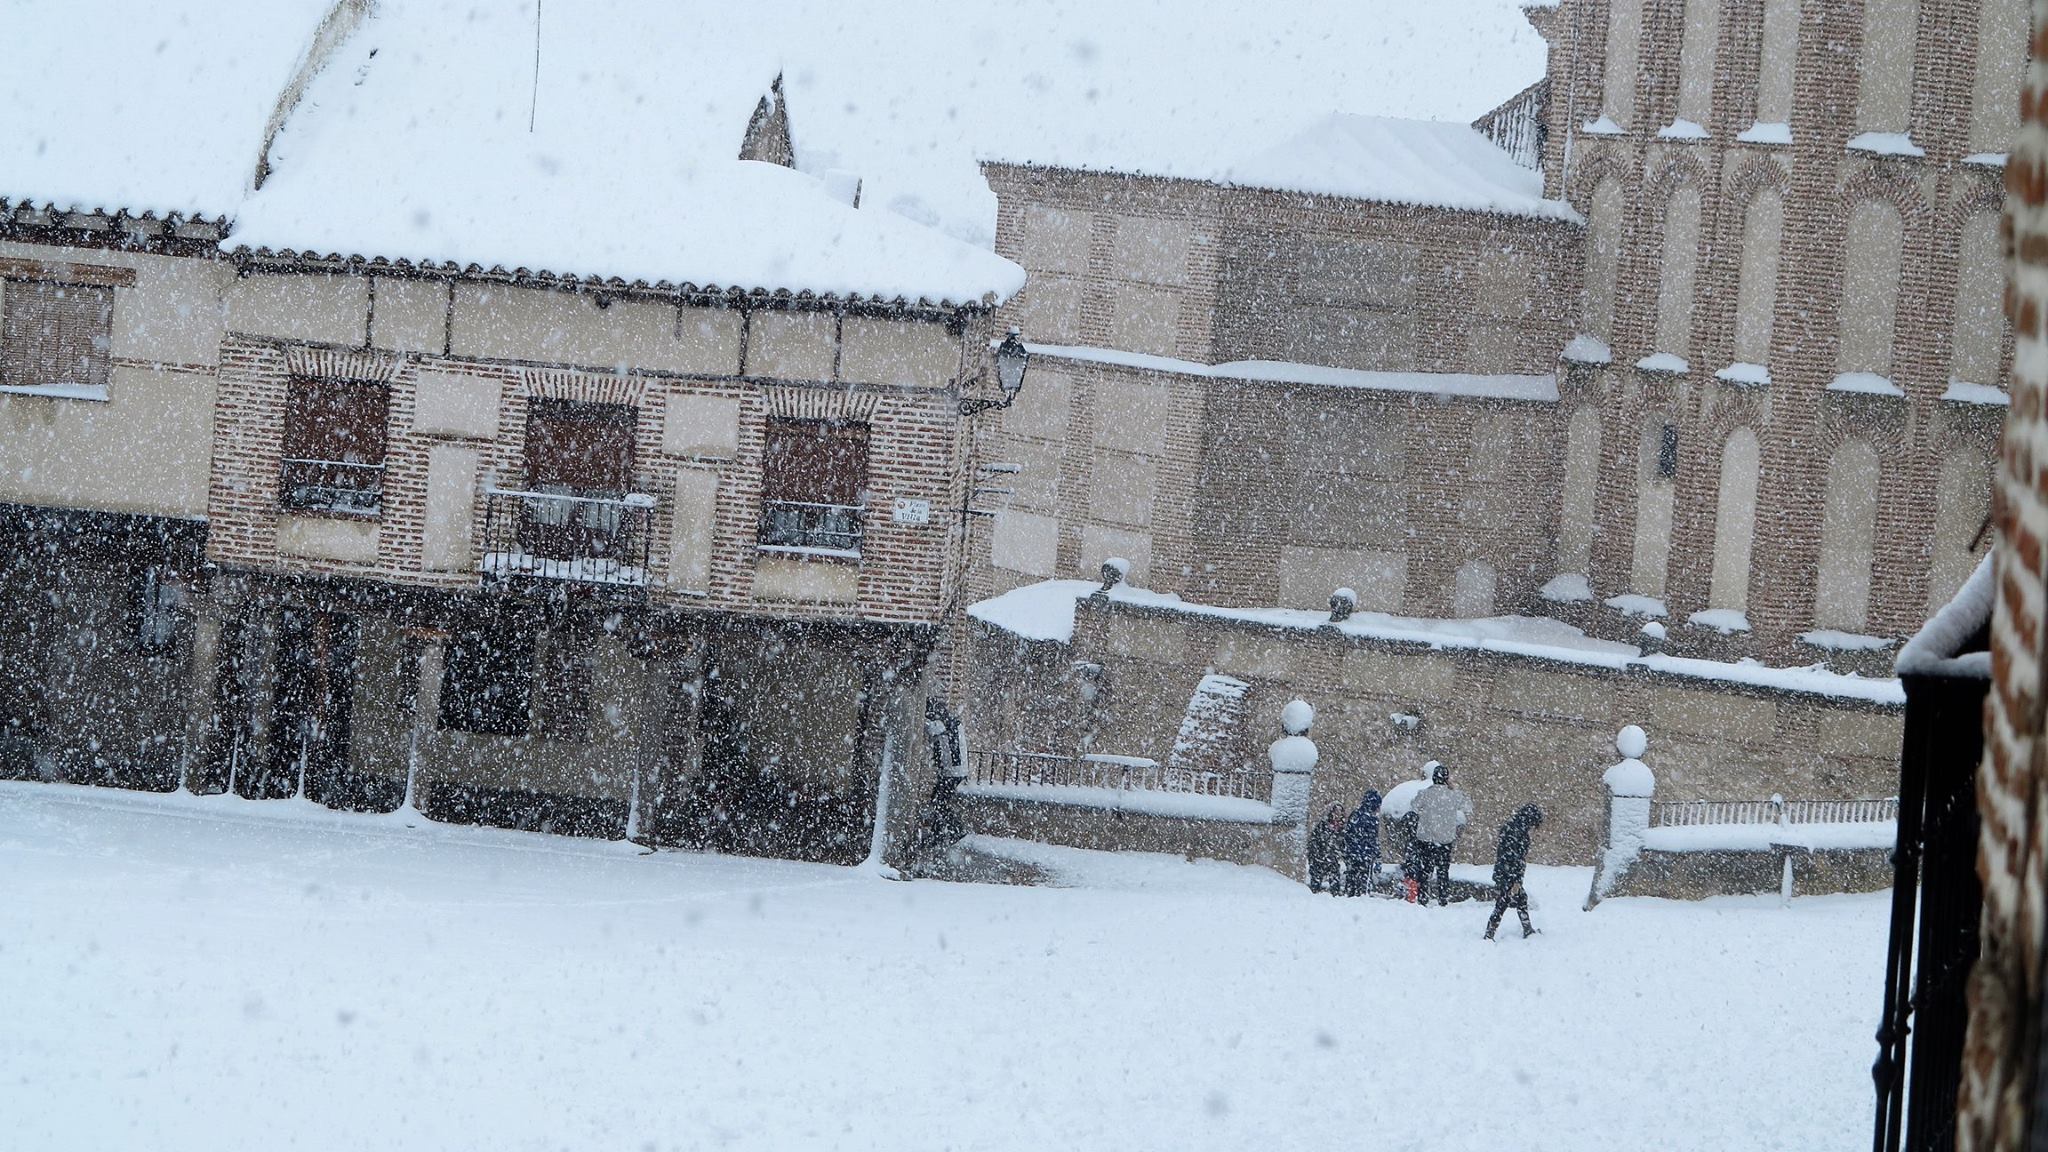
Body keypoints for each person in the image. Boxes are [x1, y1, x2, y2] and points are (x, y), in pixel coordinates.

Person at [1410, 761, 1472, 907]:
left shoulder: (1425, 794)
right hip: (1445, 840)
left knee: (1425, 870)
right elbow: (1468, 806)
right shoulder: (1454, 796)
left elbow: (1414, 806)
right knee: (1443, 871)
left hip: (1426, 838)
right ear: (1446, 778)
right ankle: (1443, 898)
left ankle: (1423, 897)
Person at [1485, 804, 1545, 940]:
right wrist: (1516, 880)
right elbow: (1515, 858)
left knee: (1514, 900)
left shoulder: (1511, 826)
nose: (1534, 829)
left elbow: (1506, 854)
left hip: (1503, 872)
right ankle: (1489, 934)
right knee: (1505, 901)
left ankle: (1525, 929)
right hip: (1509, 874)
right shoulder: (1520, 833)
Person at [1341, 790, 1382, 896]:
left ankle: (1349, 897)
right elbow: (1373, 840)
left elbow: (1347, 835)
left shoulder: (1355, 815)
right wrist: (1377, 855)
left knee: (1351, 881)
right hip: (1365, 856)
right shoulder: (1372, 819)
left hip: (1353, 854)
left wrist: (1348, 852)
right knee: (1362, 885)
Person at [1306, 805, 1344, 895]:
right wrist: (1317, 856)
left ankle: (1335, 896)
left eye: (1340, 813)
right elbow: (1313, 842)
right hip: (1319, 858)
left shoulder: (1340, 829)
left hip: (1332, 860)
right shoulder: (1322, 826)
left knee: (1335, 879)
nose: (1338, 815)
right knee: (1316, 881)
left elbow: (1342, 845)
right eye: (1336, 812)